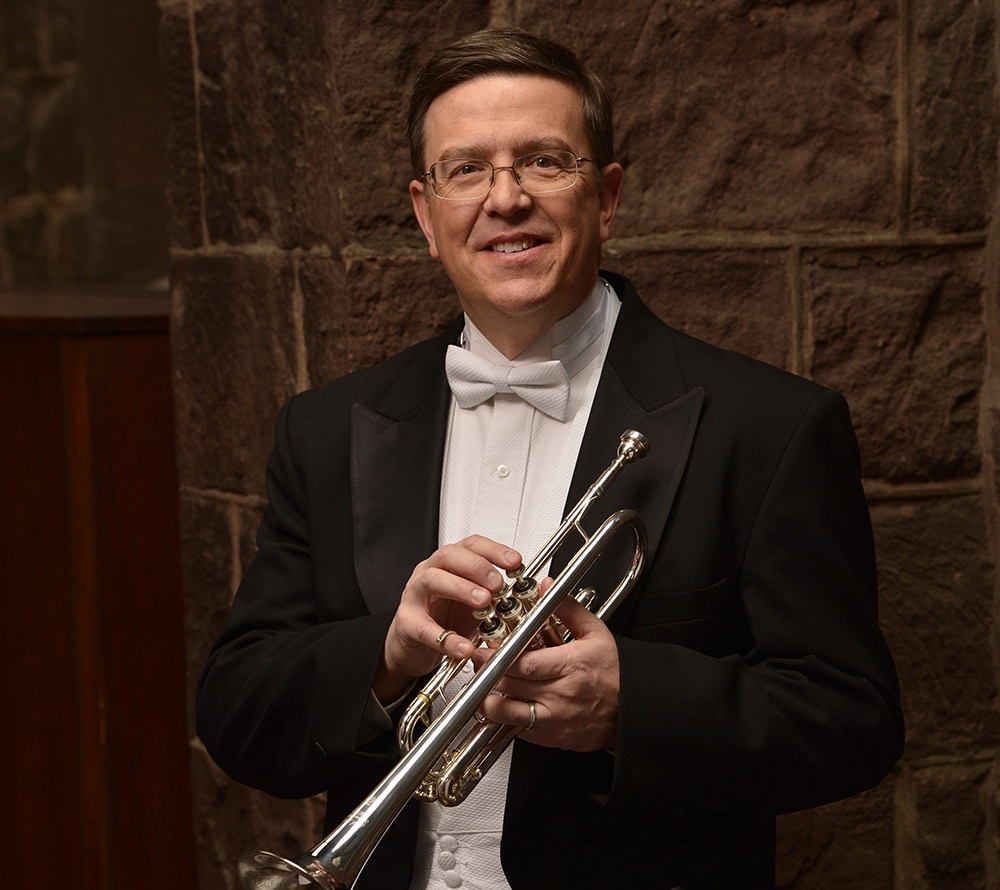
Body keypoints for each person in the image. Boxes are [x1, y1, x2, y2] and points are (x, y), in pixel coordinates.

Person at [197, 28, 904, 890]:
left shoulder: (769, 426)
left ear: (605, 197)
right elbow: (237, 711)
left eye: (543, 161)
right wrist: (386, 654)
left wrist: (632, 705)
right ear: (425, 214)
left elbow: (853, 720)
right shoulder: (326, 427)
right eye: (467, 170)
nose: (506, 199)